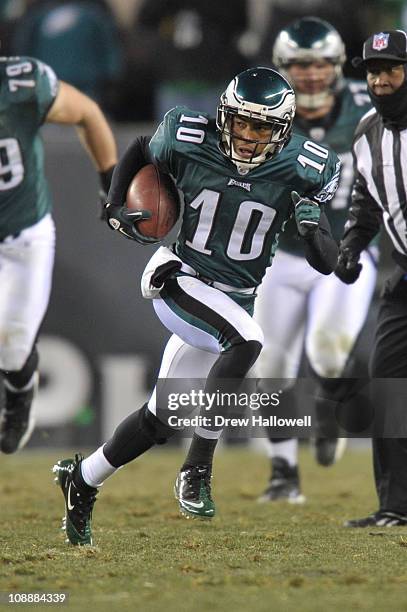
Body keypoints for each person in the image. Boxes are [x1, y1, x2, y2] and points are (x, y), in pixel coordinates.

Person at [53, 66, 341, 546]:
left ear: (283, 131)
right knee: (247, 341)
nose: (248, 137)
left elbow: (327, 262)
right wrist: (112, 202)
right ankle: (196, 471)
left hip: (232, 298)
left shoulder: (304, 167)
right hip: (178, 277)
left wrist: (313, 232)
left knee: (162, 415)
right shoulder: (188, 137)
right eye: (241, 123)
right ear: (225, 116)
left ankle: (82, 478)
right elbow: (143, 146)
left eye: (262, 128)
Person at [253, 17, 377, 503]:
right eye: (299, 64)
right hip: (279, 255)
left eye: (320, 63)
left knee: (327, 353)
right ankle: (283, 473)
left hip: (344, 247)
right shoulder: (262, 109)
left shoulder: (368, 106)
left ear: (336, 65)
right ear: (283, 67)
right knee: (273, 366)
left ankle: (332, 403)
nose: (309, 74)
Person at [0, 55, 117, 454]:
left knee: (12, 345)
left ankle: (19, 391)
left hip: (22, 238)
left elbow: (87, 113)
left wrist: (110, 181)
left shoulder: (22, 87)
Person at [336, 29, 407, 527]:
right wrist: (351, 247)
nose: (381, 79)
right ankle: (396, 506)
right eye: (373, 70)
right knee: (388, 390)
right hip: (404, 276)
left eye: (392, 69)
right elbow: (364, 201)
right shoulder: (365, 131)